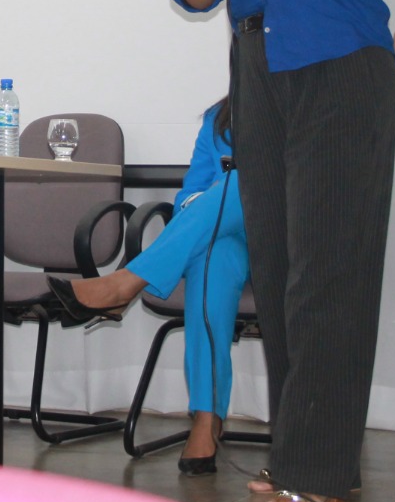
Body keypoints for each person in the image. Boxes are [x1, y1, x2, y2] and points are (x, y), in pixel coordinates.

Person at [169, 0, 395, 502]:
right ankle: (307, 454)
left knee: (328, 272)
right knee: (278, 266)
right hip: (259, 73)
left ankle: (320, 468)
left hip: (339, 70)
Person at [47, 98, 248, 475]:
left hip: (282, 246)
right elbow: (190, 193)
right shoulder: (220, 118)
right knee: (212, 260)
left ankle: (126, 282)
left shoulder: (297, 105)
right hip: (226, 243)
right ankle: (206, 419)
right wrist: (209, 204)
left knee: (244, 180)